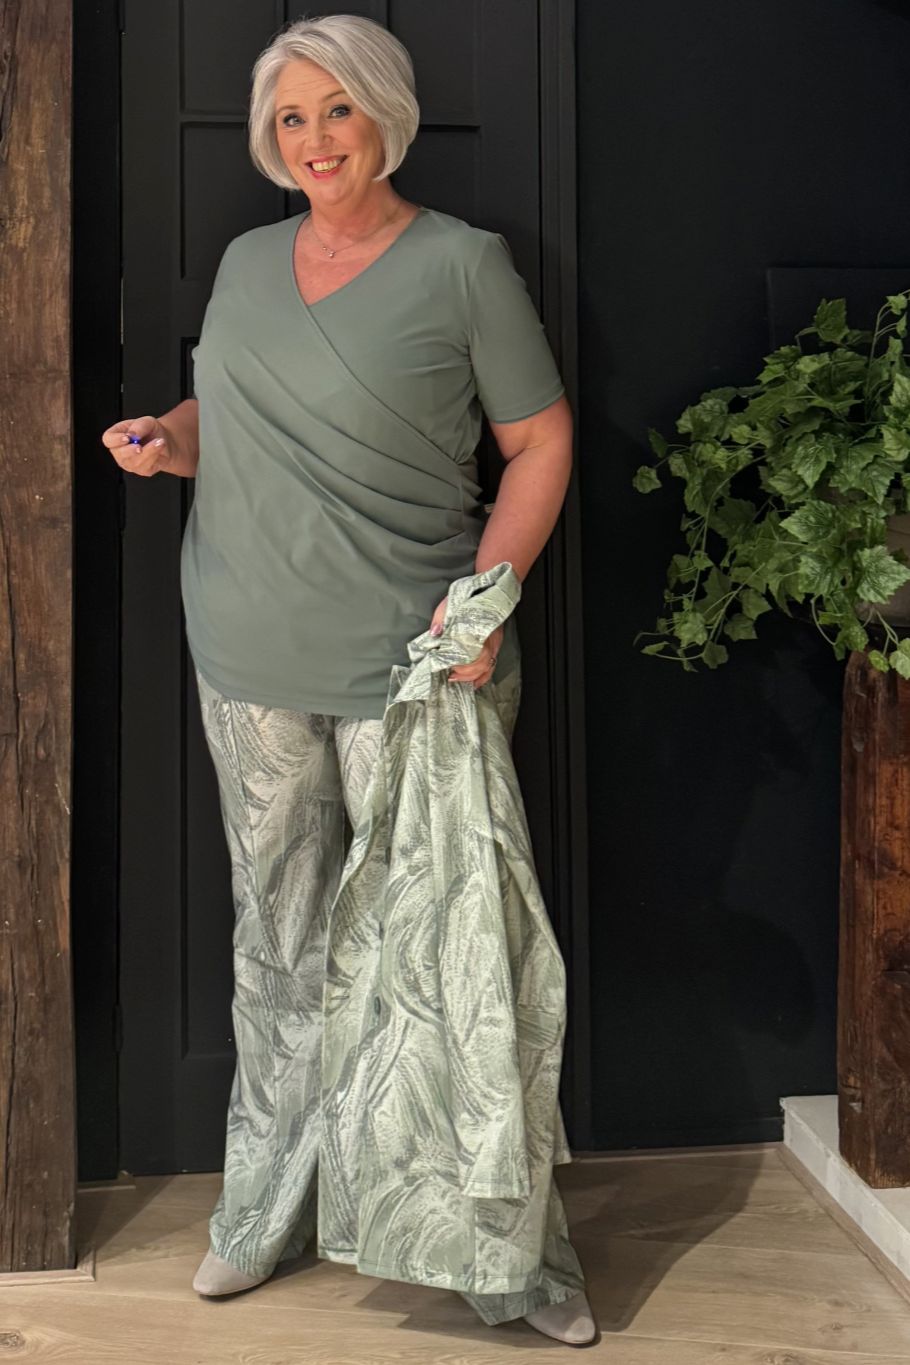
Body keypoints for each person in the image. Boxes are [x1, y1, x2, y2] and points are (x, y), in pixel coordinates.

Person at [101, 12, 595, 1348]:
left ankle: (502, 1259)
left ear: (386, 115)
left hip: (414, 667)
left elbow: (541, 443)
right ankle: (260, 1212)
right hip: (247, 654)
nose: (315, 140)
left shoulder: (461, 265)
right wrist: (167, 439)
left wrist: (483, 600)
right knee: (278, 943)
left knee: (446, 963)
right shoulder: (246, 263)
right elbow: (228, 422)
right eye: (291, 118)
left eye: (337, 110)